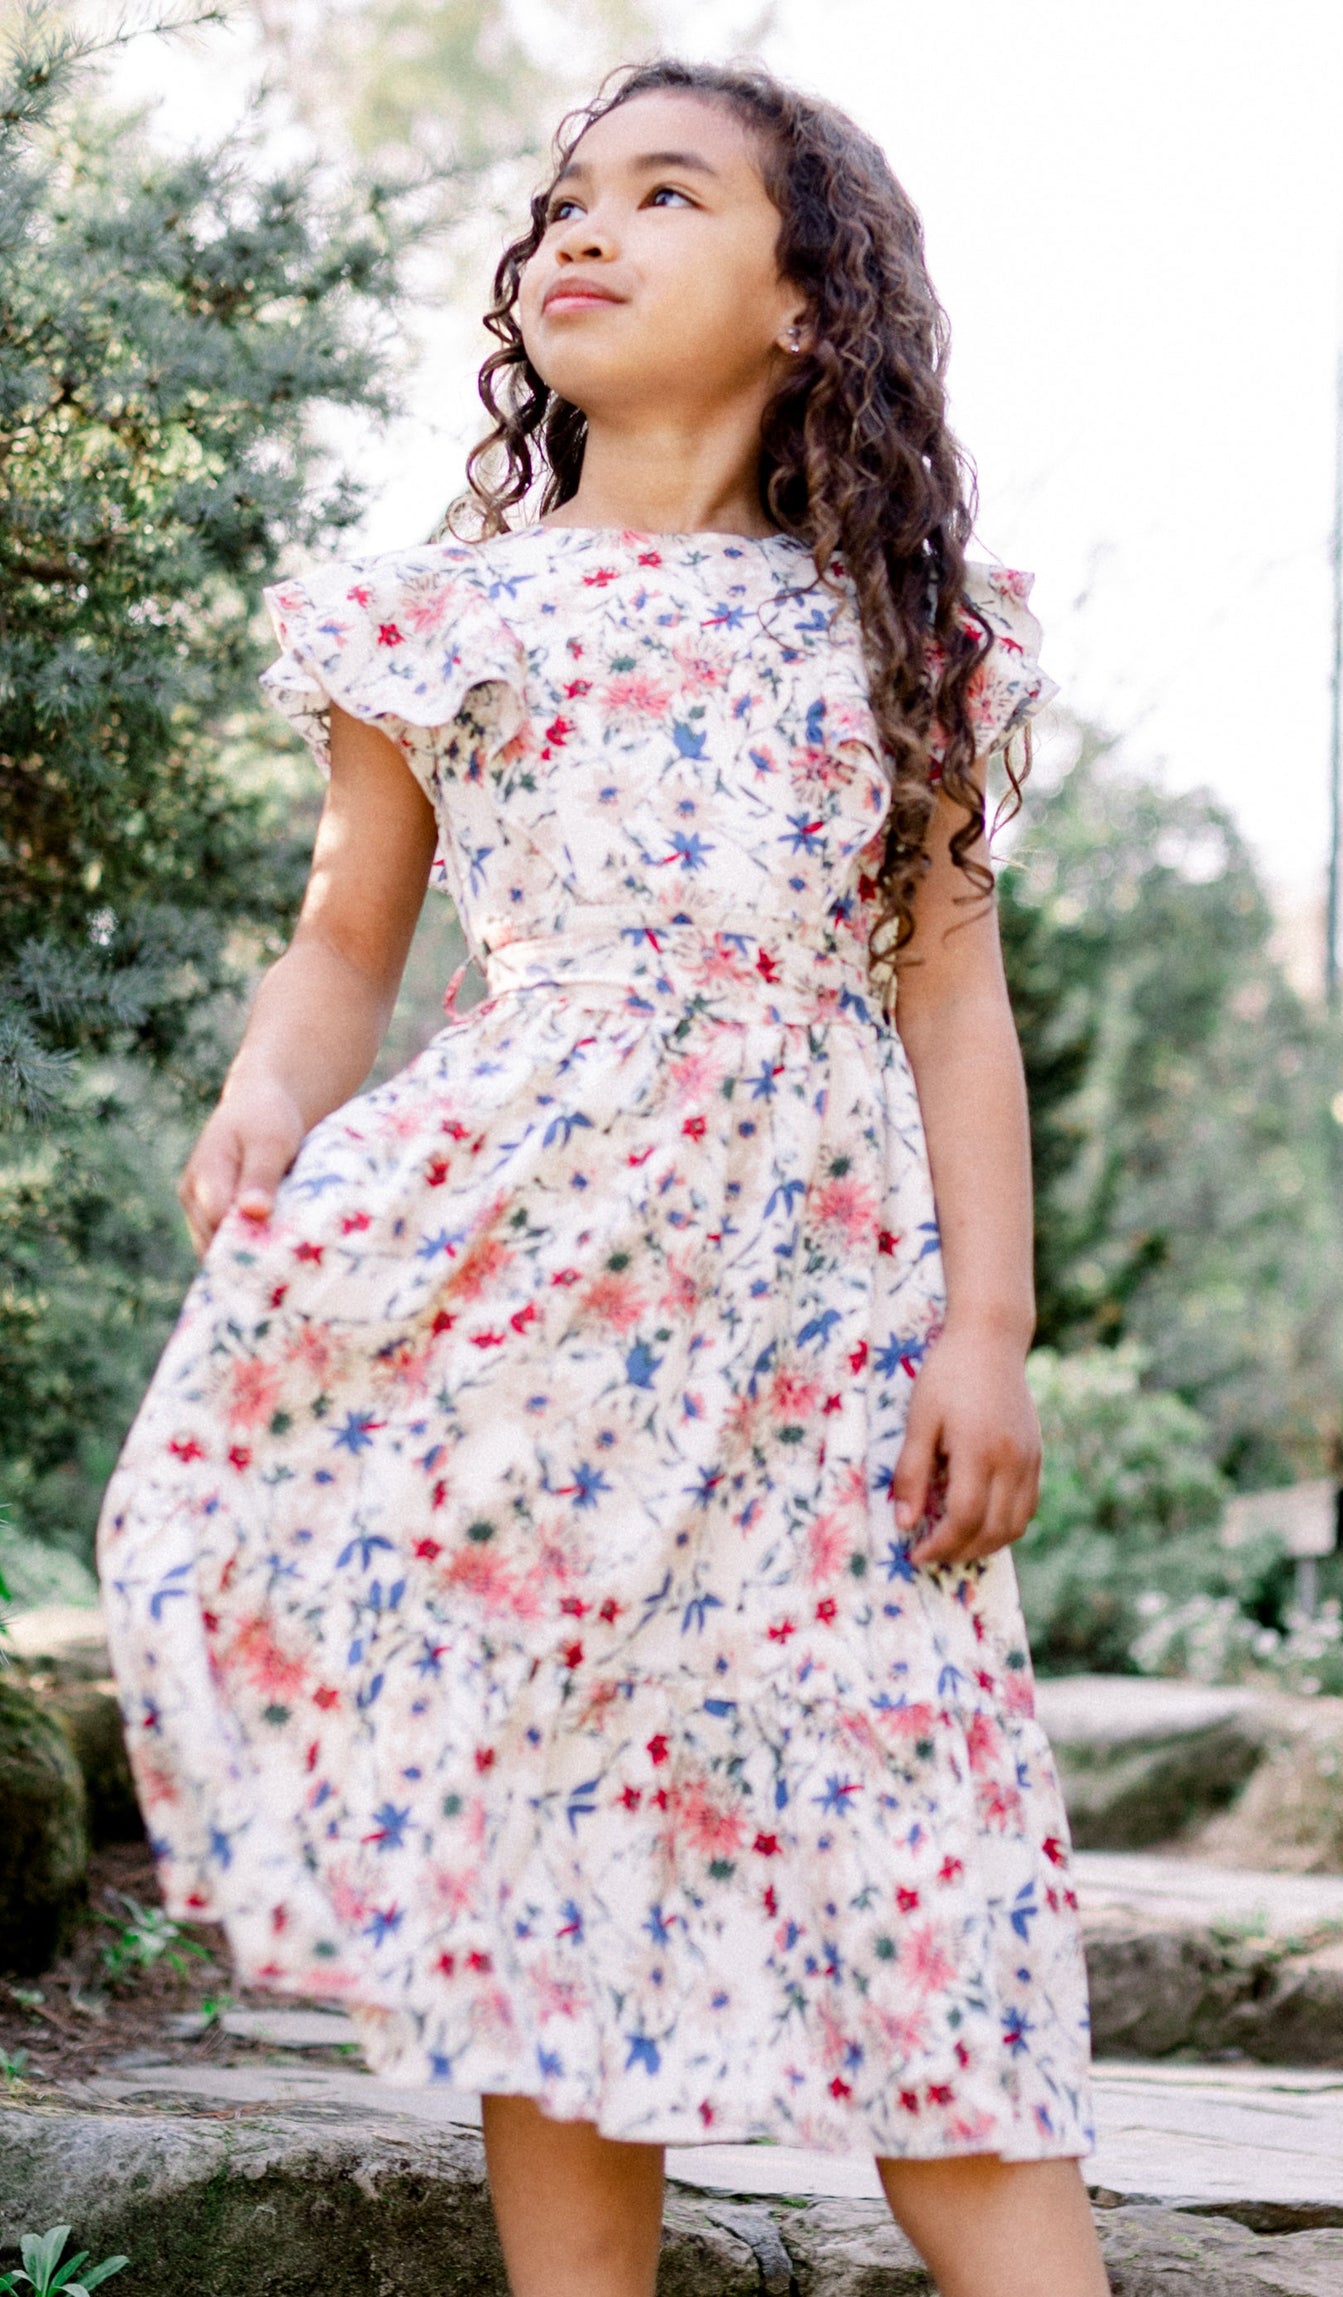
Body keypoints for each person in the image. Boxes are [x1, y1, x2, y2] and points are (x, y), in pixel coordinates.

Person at [98, 57, 1107, 2297]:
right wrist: (277, 1094)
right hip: (525, 1290)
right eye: (562, 198)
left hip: (820, 1311)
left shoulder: (901, 630)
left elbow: (953, 992)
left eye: (665, 195)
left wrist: (987, 1329)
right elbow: (351, 931)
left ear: (813, 302)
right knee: (544, 1830)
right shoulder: (442, 615)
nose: (582, 229)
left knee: (919, 1832)